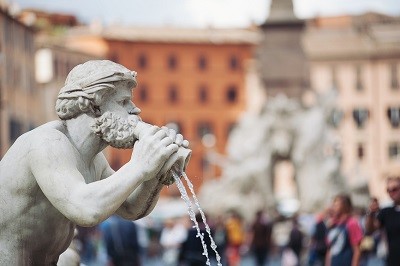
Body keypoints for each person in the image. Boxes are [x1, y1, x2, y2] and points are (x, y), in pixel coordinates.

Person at [0, 60, 189, 264]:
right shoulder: (46, 142)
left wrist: (158, 174)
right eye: (123, 102)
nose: (135, 111)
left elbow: (130, 208)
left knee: (70, 259)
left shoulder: (93, 160)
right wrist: (140, 166)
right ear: (90, 105)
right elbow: (85, 209)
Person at [365, 175, 400, 266]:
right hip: (394, 260)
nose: (391, 193)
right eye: (388, 190)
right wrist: (371, 213)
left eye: (395, 189)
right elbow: (370, 229)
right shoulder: (386, 212)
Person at [325, 194, 363, 266]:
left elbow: (357, 251)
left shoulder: (351, 223)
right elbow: (329, 250)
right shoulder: (332, 225)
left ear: (344, 207)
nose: (333, 207)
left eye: (336, 205)